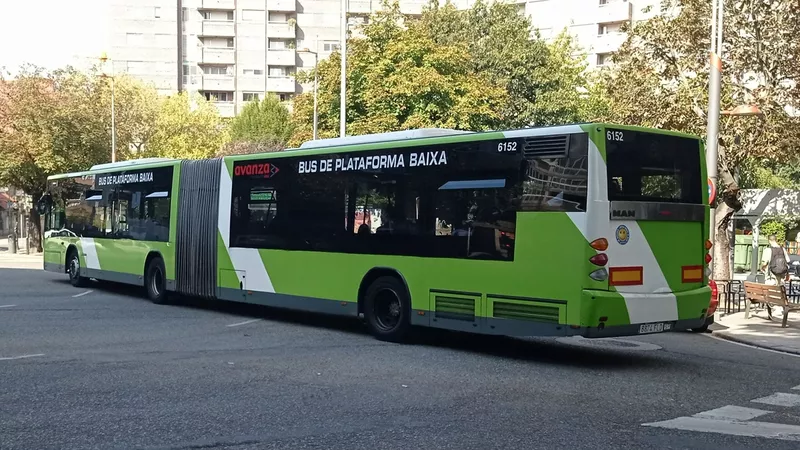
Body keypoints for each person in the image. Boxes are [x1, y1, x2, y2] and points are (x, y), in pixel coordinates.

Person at [760, 234, 790, 318]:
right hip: (781, 275)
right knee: (780, 291)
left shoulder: (768, 250)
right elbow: (787, 261)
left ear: (769, 240)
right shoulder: (782, 249)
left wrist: (762, 269)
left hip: (771, 275)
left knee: (771, 293)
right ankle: (779, 308)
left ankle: (775, 309)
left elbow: (764, 263)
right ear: (776, 240)